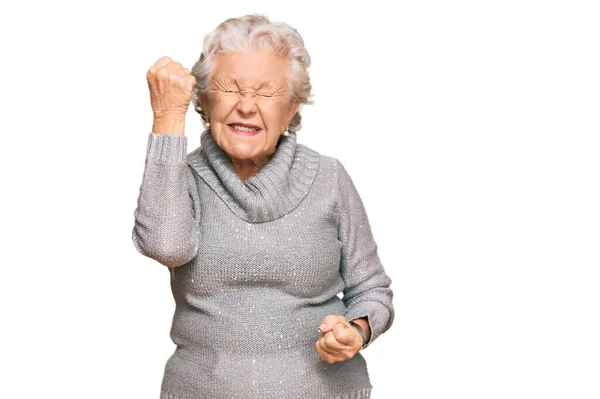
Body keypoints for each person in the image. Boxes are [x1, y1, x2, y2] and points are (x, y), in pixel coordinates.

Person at [132, 14, 394, 399]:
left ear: (292, 108)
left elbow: (373, 290)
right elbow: (166, 245)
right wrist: (167, 117)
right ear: (202, 101)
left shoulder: (329, 178)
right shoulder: (177, 176)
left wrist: (356, 330)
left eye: (267, 93)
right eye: (229, 88)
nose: (246, 106)